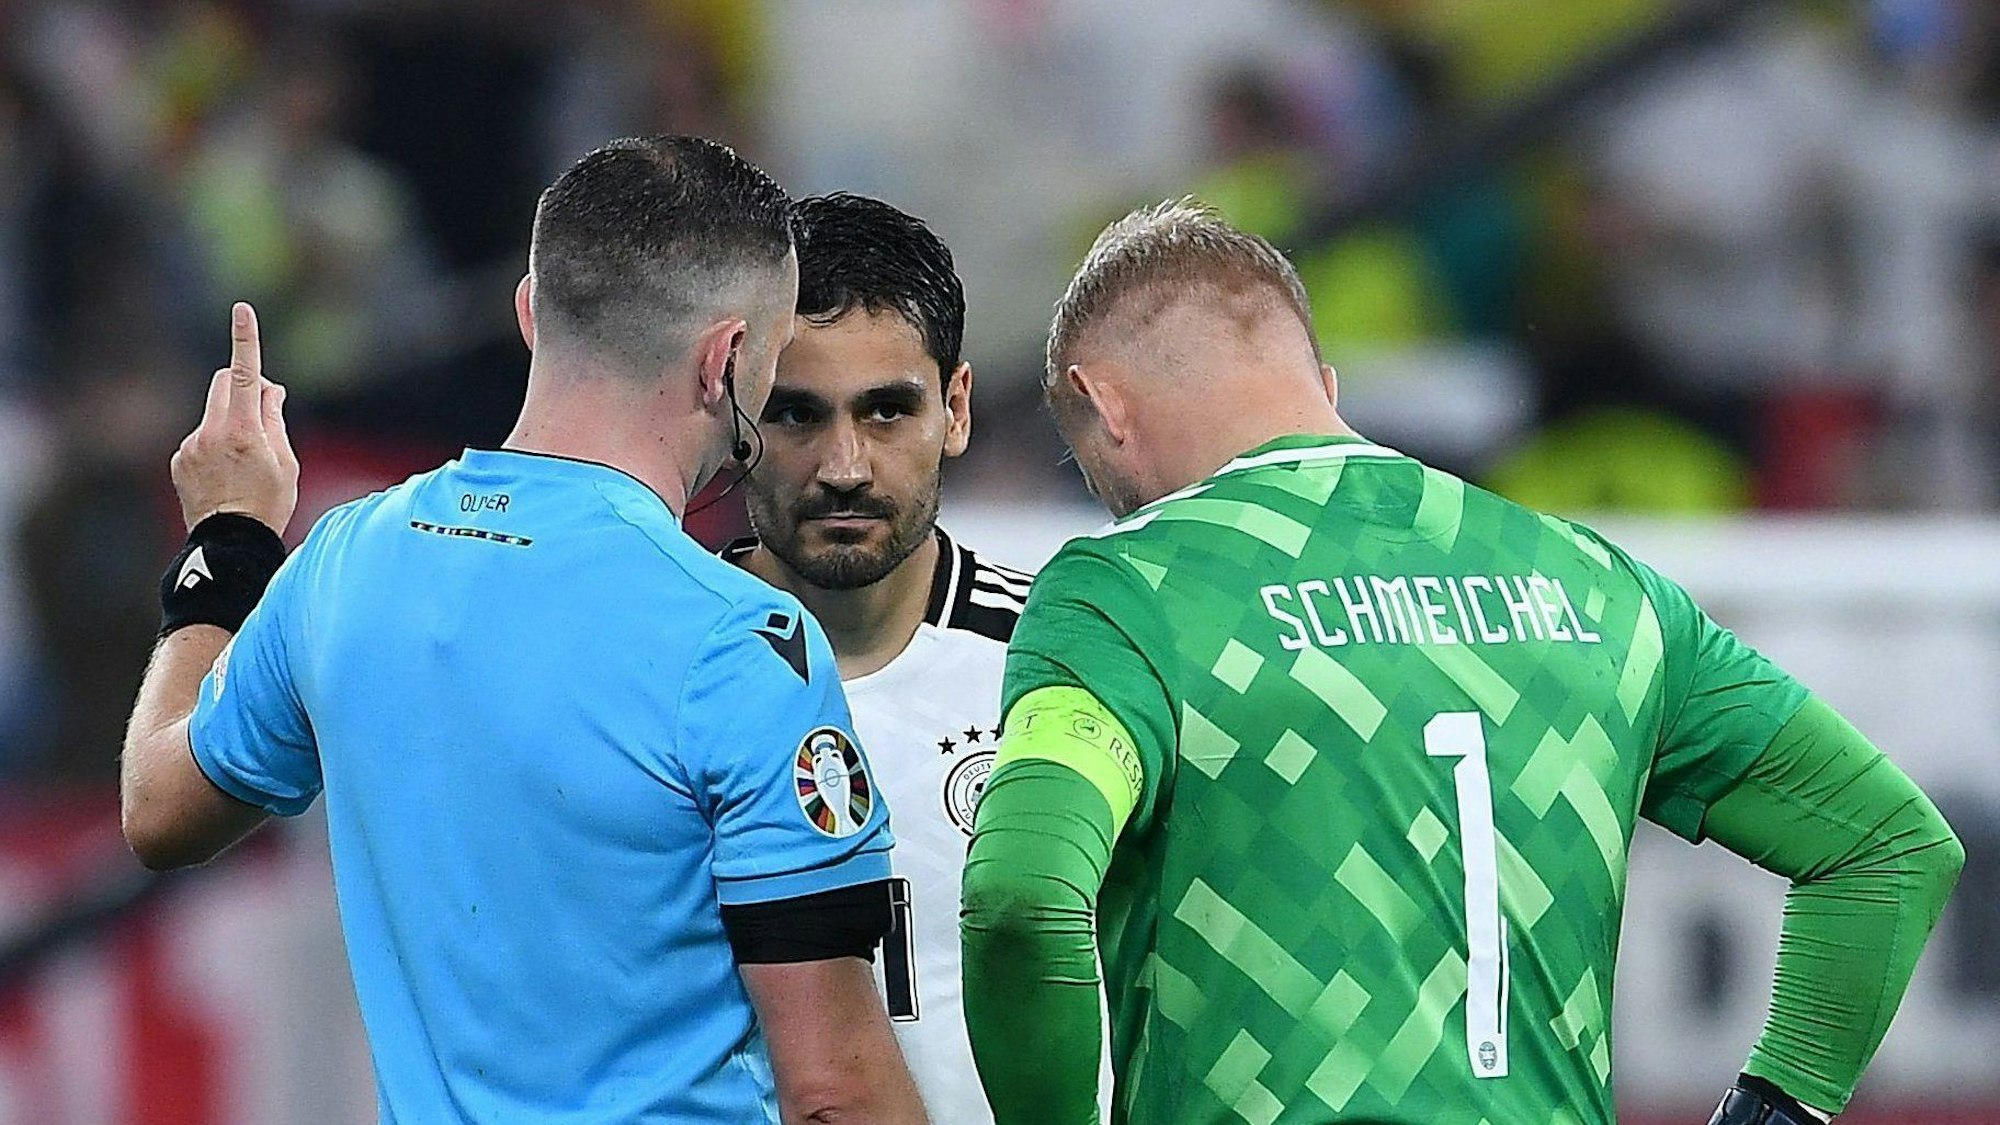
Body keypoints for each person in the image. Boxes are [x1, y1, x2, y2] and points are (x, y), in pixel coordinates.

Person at [959, 200, 1964, 1125]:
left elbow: (1017, 894)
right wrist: (1774, 1108)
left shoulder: (1127, 590)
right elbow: (1887, 845)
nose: (1108, 500)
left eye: (1086, 464)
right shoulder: (1596, 585)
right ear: (1324, 387)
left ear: (1106, 406)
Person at [119, 137, 927, 1125]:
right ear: (726, 361)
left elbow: (158, 810)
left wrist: (228, 542)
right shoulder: (739, 640)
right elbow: (834, 1092)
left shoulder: (342, 562)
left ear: (530, 311)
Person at [724, 191, 1048, 1124]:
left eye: (887, 411)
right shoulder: (646, 662)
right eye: (796, 415)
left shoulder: (1062, 660)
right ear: (735, 409)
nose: (846, 465)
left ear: (955, 409)